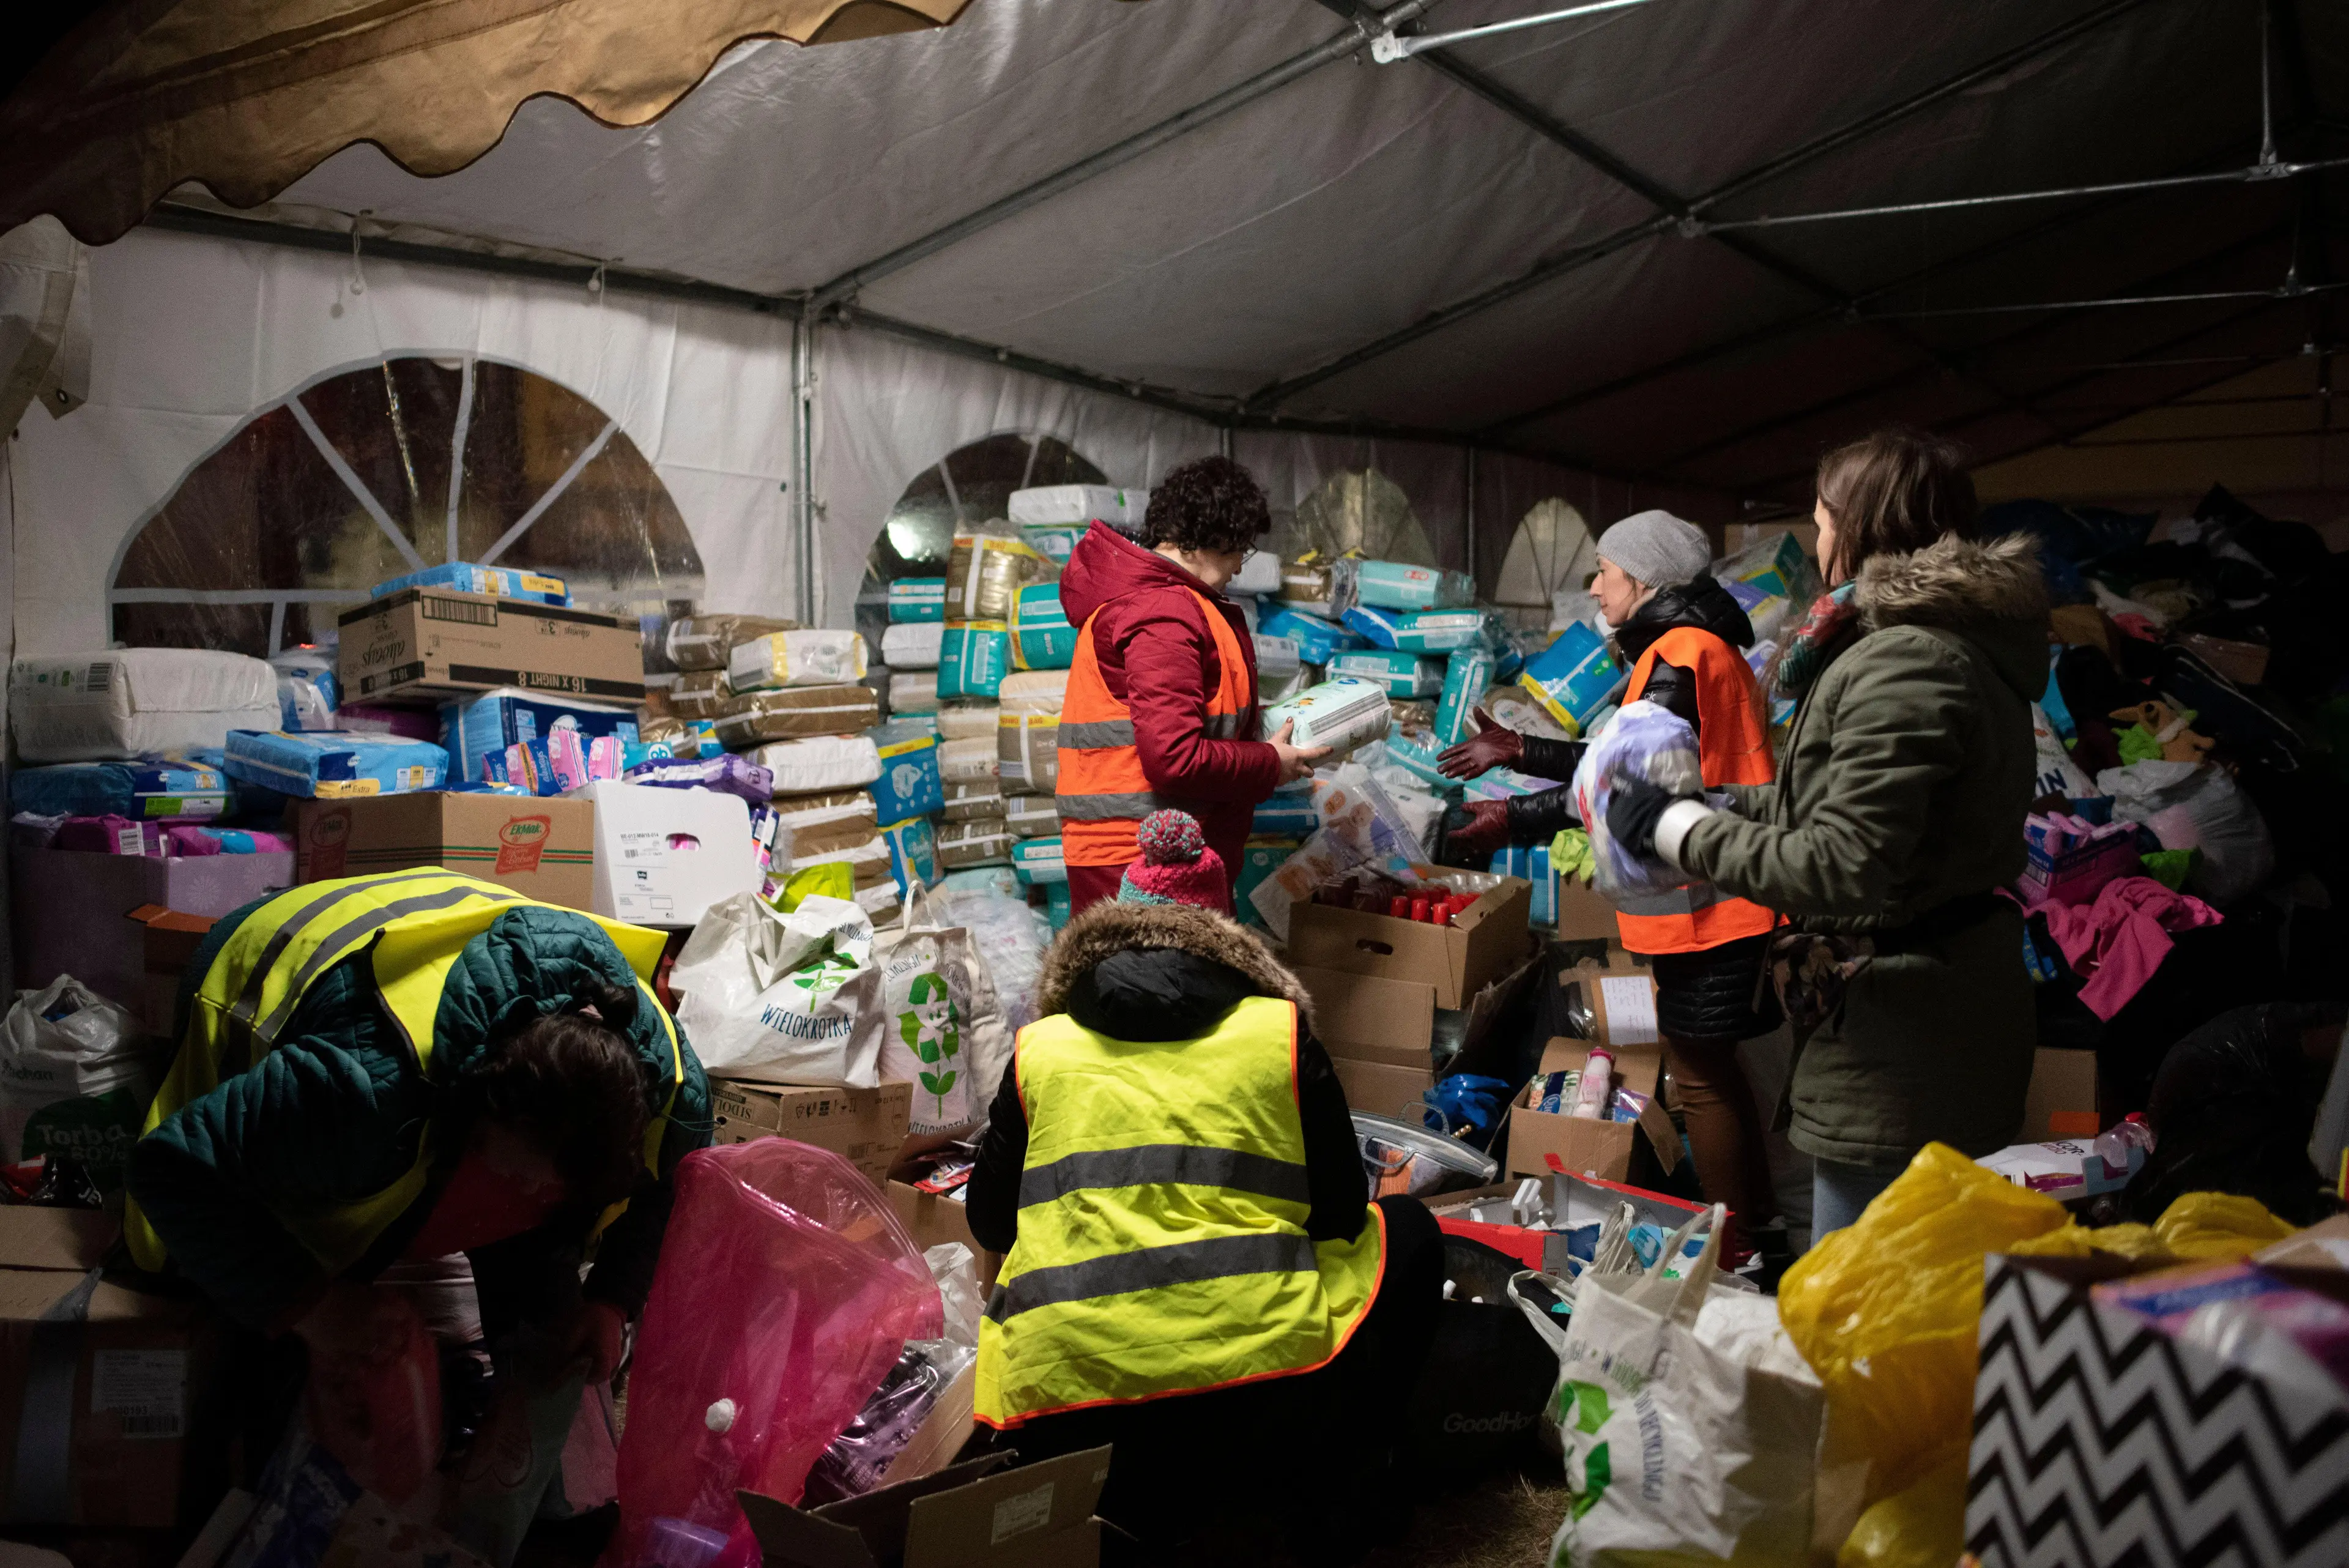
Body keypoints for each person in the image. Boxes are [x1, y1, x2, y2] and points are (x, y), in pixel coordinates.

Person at [124, 868, 710, 1561]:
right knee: (266, 1338)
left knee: (555, 1334)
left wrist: (612, 1298)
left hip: (470, 1002)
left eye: (550, 1192)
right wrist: (315, 1306)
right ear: (474, 1115)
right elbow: (170, 1169)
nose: (525, 1206)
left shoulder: (671, 1093)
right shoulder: (362, 1088)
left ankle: (509, 1536)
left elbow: (661, 1190)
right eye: (515, 1180)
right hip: (270, 966)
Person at [1604, 430, 2049, 1237]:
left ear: (1862, 525)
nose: (1815, 536)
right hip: (1920, 1011)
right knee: (1900, 1297)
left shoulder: (1906, 659)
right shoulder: (1919, 643)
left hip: (1905, 1033)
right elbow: (1827, 803)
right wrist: (1723, 811)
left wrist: (1675, 828)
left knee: (1858, 1306)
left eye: (1821, 515)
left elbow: (1843, 863)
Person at [968, 811, 1442, 1561]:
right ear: (1224, 932)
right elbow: (1341, 1217)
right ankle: (1352, 1491)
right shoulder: (1278, 1034)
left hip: (1072, 1415)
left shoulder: (1042, 1049)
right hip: (1259, 1405)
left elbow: (992, 1225)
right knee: (1408, 1232)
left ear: (1115, 922)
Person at [1439, 509, 1786, 1246]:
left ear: (1646, 577)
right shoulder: (1686, 649)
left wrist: (1514, 818)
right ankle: (1756, 1227)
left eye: (1606, 569)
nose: (1595, 586)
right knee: (1718, 1075)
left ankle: (1734, 1250)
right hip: (1724, 894)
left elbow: (1626, 788)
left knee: (1698, 1080)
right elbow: (1612, 765)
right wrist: (1522, 752)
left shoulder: (1677, 655)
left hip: (1709, 907)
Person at [1056, 456, 1329, 916]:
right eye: (1239, 547)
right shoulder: (1161, 613)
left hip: (1155, 852)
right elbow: (1175, 758)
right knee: (1165, 987)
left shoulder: (1169, 603)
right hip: (1145, 861)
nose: (1241, 565)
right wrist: (1269, 763)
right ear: (1210, 537)